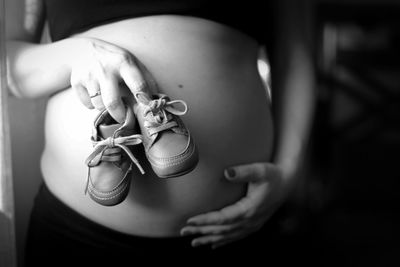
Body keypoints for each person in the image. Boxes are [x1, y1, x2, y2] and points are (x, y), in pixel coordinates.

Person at [6, 0, 315, 266]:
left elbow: (296, 54)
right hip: (75, 231)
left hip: (236, 226)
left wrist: (289, 173)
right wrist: (77, 54)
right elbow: (8, 63)